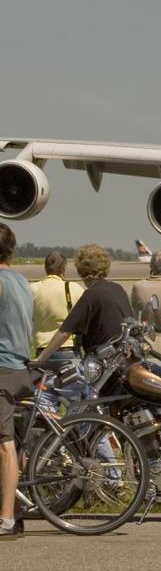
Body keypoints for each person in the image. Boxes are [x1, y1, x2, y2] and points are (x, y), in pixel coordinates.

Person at [37, 244, 132, 360]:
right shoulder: (118, 289)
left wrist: (41, 358)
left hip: (104, 360)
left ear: (81, 270)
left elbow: (65, 332)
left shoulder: (91, 295)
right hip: (124, 355)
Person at [0, 224, 33, 538]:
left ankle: (6, 519)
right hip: (21, 370)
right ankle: (16, 511)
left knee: (4, 447)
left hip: (2, 372)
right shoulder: (21, 281)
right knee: (18, 445)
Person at [30, 252, 85, 413]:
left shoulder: (33, 289)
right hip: (68, 352)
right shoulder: (73, 288)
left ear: (45, 268)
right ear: (64, 270)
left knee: (44, 406)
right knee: (76, 407)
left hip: (42, 355)